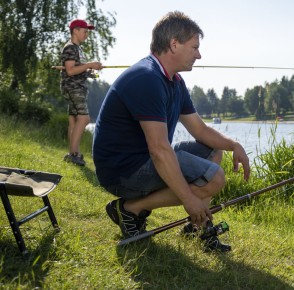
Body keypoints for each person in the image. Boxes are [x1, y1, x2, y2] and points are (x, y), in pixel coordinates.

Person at [92, 11, 250, 252]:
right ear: (174, 44)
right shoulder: (147, 78)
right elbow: (159, 150)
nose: (199, 54)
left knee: (213, 151)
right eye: (195, 47)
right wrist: (189, 200)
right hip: (122, 170)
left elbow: (199, 129)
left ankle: (197, 227)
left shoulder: (174, 81)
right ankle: (129, 210)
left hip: (143, 159)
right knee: (215, 177)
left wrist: (234, 145)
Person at [60, 19, 103, 166]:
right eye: (85, 31)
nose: (87, 34)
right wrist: (90, 64)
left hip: (77, 87)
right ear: (76, 30)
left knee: (74, 119)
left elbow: (78, 68)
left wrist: (89, 71)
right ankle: (73, 154)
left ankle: (74, 152)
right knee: (84, 119)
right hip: (73, 88)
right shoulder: (70, 48)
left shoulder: (78, 49)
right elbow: (70, 70)